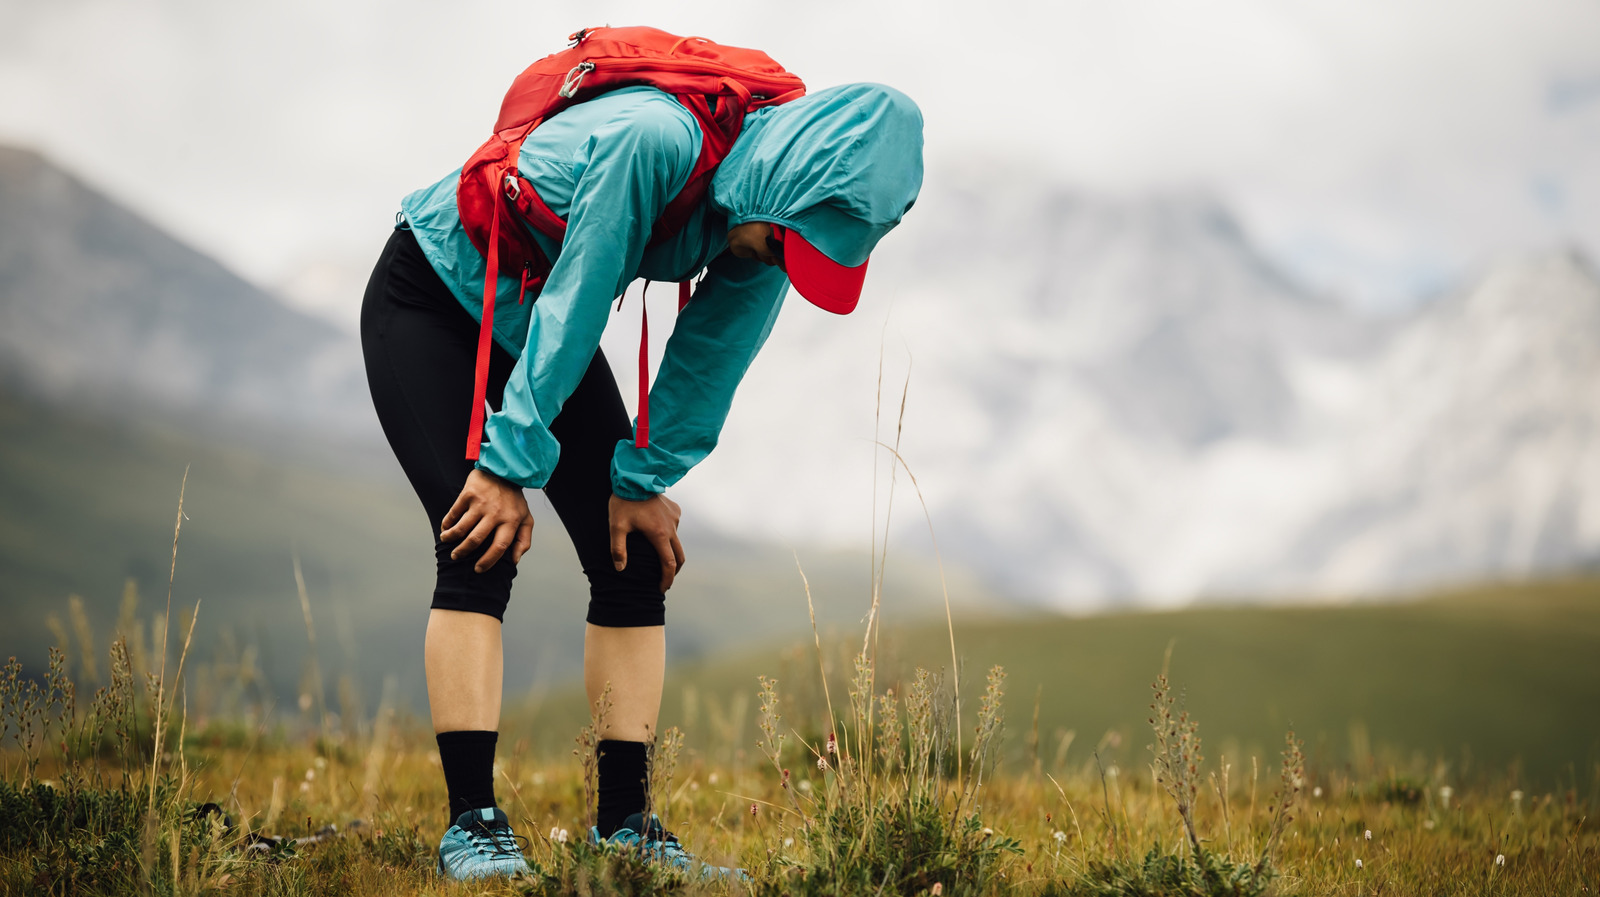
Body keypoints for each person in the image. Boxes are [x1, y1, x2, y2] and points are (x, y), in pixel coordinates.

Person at [360, 78, 923, 880]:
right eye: (779, 247)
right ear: (788, 188)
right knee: (478, 536)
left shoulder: (772, 213)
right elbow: (580, 294)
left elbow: (713, 351)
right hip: (431, 295)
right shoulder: (652, 143)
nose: (772, 261)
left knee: (634, 554)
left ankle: (626, 827)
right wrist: (506, 462)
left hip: (532, 319)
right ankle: (473, 826)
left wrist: (643, 477)